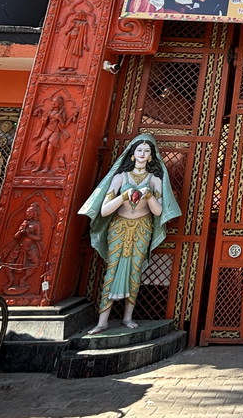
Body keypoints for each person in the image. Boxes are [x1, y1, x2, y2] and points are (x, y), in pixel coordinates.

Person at [78, 133, 181, 334]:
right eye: (139, 150)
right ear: (132, 154)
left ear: (151, 156)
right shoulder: (120, 177)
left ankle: (127, 317)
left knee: (135, 269)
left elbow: (158, 211)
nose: (142, 154)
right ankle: (102, 321)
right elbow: (104, 210)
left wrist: (149, 196)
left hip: (142, 227)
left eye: (147, 151)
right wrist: (123, 196)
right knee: (112, 269)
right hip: (118, 227)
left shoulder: (155, 179)